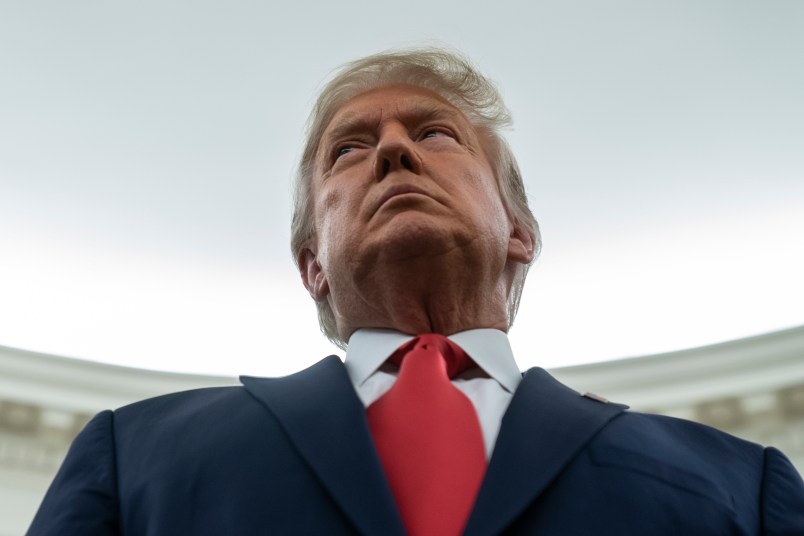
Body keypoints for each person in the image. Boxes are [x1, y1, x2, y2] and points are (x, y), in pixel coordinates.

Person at [28, 48, 803, 535]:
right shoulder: (134, 459)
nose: (394, 149)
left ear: (519, 232)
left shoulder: (739, 483)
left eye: (436, 134)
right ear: (312, 267)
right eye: (350, 149)